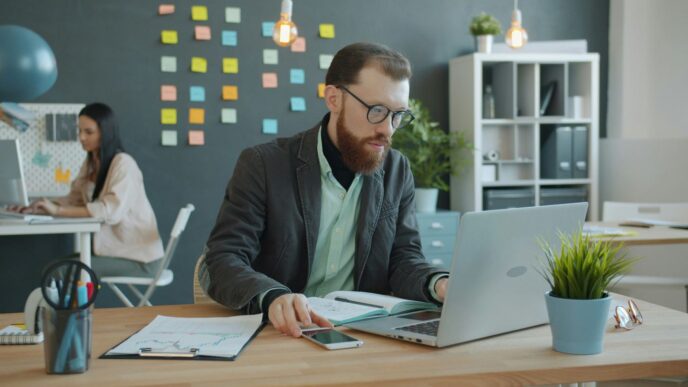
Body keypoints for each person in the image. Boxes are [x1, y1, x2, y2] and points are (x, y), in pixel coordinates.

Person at [205, 42, 449, 338]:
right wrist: (272, 297)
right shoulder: (263, 164)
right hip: (280, 335)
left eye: (398, 115)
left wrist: (438, 284)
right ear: (333, 99)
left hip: (360, 336)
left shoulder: (397, 171)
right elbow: (223, 258)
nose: (388, 129)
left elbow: (404, 259)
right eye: (377, 110)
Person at [12, 103, 164, 277]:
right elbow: (74, 199)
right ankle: (76, 305)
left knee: (60, 271)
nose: (81, 137)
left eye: (89, 132)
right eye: (79, 131)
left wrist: (58, 210)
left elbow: (109, 212)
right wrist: (37, 208)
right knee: (56, 267)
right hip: (112, 253)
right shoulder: (91, 163)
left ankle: (76, 305)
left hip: (140, 260)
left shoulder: (124, 164)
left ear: (105, 133)